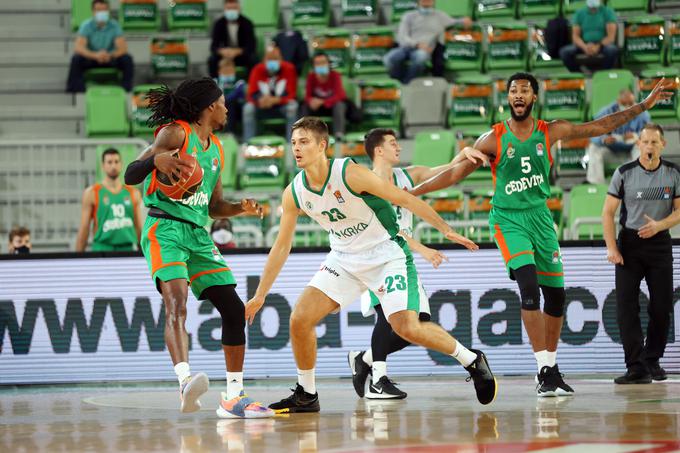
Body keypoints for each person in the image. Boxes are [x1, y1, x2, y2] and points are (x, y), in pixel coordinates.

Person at [409, 72, 672, 397]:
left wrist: (644, 105)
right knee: (529, 289)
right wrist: (410, 193)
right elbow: (452, 176)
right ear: (508, 98)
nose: (518, 95)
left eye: (525, 90)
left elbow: (598, 127)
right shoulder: (492, 139)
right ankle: (543, 369)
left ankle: (550, 367)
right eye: (513, 91)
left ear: (534, 97)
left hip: (540, 218)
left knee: (557, 297)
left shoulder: (551, 130)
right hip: (508, 219)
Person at [244, 116, 497, 413]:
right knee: (299, 319)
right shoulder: (294, 191)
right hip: (343, 258)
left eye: (304, 142)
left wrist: (444, 228)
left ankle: (471, 359)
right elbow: (281, 245)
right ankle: (307, 393)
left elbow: (403, 197)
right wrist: (260, 294)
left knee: (407, 327)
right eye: (294, 143)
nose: (296, 148)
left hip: (386, 254)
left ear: (322, 145)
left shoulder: (350, 174)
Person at [123, 77, 273, 419]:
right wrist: (153, 163)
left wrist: (239, 208)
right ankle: (185, 380)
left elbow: (214, 205)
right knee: (176, 303)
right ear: (209, 108)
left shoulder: (217, 149)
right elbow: (132, 173)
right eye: (222, 102)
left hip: (198, 234)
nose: (226, 108)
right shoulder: (175, 133)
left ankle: (233, 397)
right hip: (166, 228)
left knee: (234, 310)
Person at [348, 128, 462, 399]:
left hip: (401, 258)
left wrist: (465, 155)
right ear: (378, 150)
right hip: (376, 257)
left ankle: (364, 359)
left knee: (418, 322)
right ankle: (379, 379)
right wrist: (423, 248)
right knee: (388, 318)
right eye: (392, 143)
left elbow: (443, 170)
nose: (398, 147)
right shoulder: (365, 184)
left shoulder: (406, 176)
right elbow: (387, 229)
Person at [602, 123, 680, 385]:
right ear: (638, 144)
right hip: (630, 244)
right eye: (645, 142)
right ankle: (635, 366)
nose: (649, 147)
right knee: (626, 307)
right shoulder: (624, 173)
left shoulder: (673, 173)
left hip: (659, 243)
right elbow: (608, 212)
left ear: (662, 145)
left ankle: (652, 360)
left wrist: (660, 225)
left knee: (662, 306)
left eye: (654, 143)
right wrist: (612, 248)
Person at [384, 0, 472, 84]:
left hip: (425, 49)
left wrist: (464, 21)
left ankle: (406, 83)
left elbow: (454, 22)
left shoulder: (440, 16)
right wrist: (417, 44)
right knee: (389, 59)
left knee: (420, 58)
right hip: (406, 47)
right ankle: (397, 81)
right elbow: (402, 36)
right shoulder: (409, 16)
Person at [75, 148, 143, 252]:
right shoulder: (92, 192)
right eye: (109, 162)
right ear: (103, 165)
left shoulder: (133, 193)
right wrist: (77, 258)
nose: (113, 166)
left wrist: (142, 253)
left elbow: (139, 227)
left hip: (128, 249)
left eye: (116, 162)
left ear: (121, 164)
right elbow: (84, 229)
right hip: (102, 249)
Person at [66, 0, 134, 93]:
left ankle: (126, 90)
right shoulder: (86, 25)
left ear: (108, 11)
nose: (102, 12)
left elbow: (123, 48)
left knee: (127, 59)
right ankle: (77, 90)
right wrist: (95, 55)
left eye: (104, 10)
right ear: (93, 11)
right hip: (92, 58)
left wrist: (110, 55)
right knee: (76, 59)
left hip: (109, 58)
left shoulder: (115, 25)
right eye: (98, 10)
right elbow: (79, 47)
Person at [586, 89, 651, 184]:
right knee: (594, 148)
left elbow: (650, 134)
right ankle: (596, 184)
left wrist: (636, 136)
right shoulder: (606, 112)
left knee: (643, 148)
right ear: (618, 102)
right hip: (611, 153)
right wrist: (603, 140)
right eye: (624, 103)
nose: (628, 107)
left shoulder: (642, 114)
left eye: (631, 103)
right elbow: (592, 134)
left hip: (631, 155)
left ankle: (638, 183)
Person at [242, 45, 298, 142]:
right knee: (248, 108)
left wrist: (275, 100)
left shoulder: (289, 68)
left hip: (281, 107)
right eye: (269, 58)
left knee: (293, 107)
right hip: (262, 106)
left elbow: (291, 94)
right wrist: (260, 101)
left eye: (275, 58)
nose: (272, 61)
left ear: (281, 59)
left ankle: (291, 143)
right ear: (264, 60)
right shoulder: (257, 69)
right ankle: (248, 143)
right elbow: (251, 94)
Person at [559, 0, 618, 73]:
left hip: (602, 45)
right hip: (584, 45)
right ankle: (579, 74)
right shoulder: (579, 13)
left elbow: (610, 37)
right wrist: (585, 47)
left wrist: (598, 46)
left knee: (612, 50)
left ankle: (603, 73)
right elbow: (575, 37)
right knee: (564, 52)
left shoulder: (608, 12)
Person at [301, 53, 348, 140]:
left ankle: (339, 134)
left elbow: (340, 95)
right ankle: (305, 134)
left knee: (340, 105)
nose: (321, 65)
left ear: (328, 64)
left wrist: (323, 101)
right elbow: (307, 96)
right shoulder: (311, 77)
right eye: (318, 63)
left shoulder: (335, 75)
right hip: (317, 108)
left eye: (323, 62)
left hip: (331, 106)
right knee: (305, 107)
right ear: (314, 66)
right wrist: (311, 101)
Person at [208, 0, 258, 78]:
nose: (232, 11)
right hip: (224, 55)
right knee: (212, 60)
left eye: (234, 8)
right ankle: (214, 83)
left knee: (253, 59)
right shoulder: (218, 23)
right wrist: (222, 51)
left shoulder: (247, 23)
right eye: (229, 8)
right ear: (224, 9)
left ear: (239, 9)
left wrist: (237, 51)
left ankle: (250, 85)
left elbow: (252, 46)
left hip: (241, 55)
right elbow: (213, 46)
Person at [214, 58, 246, 134]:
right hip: (218, 107)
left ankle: (229, 131)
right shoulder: (214, 82)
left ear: (234, 71)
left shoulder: (239, 82)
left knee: (231, 102)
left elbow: (236, 94)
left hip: (236, 108)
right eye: (225, 72)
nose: (227, 74)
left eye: (229, 71)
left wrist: (222, 101)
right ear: (219, 71)